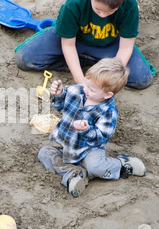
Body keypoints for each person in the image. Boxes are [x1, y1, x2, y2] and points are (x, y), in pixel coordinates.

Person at [15, 0, 154, 90]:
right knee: (25, 59)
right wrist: (81, 82)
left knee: (142, 79)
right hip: (75, 39)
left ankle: (87, 60)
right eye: (98, 9)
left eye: (111, 11)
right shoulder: (75, 2)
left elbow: (125, 47)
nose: (103, 16)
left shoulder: (129, 5)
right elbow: (68, 45)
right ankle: (85, 61)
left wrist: (110, 74)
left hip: (109, 44)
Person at [38, 57, 146, 197]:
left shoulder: (108, 112)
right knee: (44, 153)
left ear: (107, 95)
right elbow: (60, 106)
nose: (86, 90)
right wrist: (58, 95)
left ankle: (121, 165)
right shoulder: (77, 90)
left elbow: (100, 139)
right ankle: (73, 174)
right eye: (86, 84)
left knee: (95, 167)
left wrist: (86, 130)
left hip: (89, 150)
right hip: (65, 144)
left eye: (92, 89)